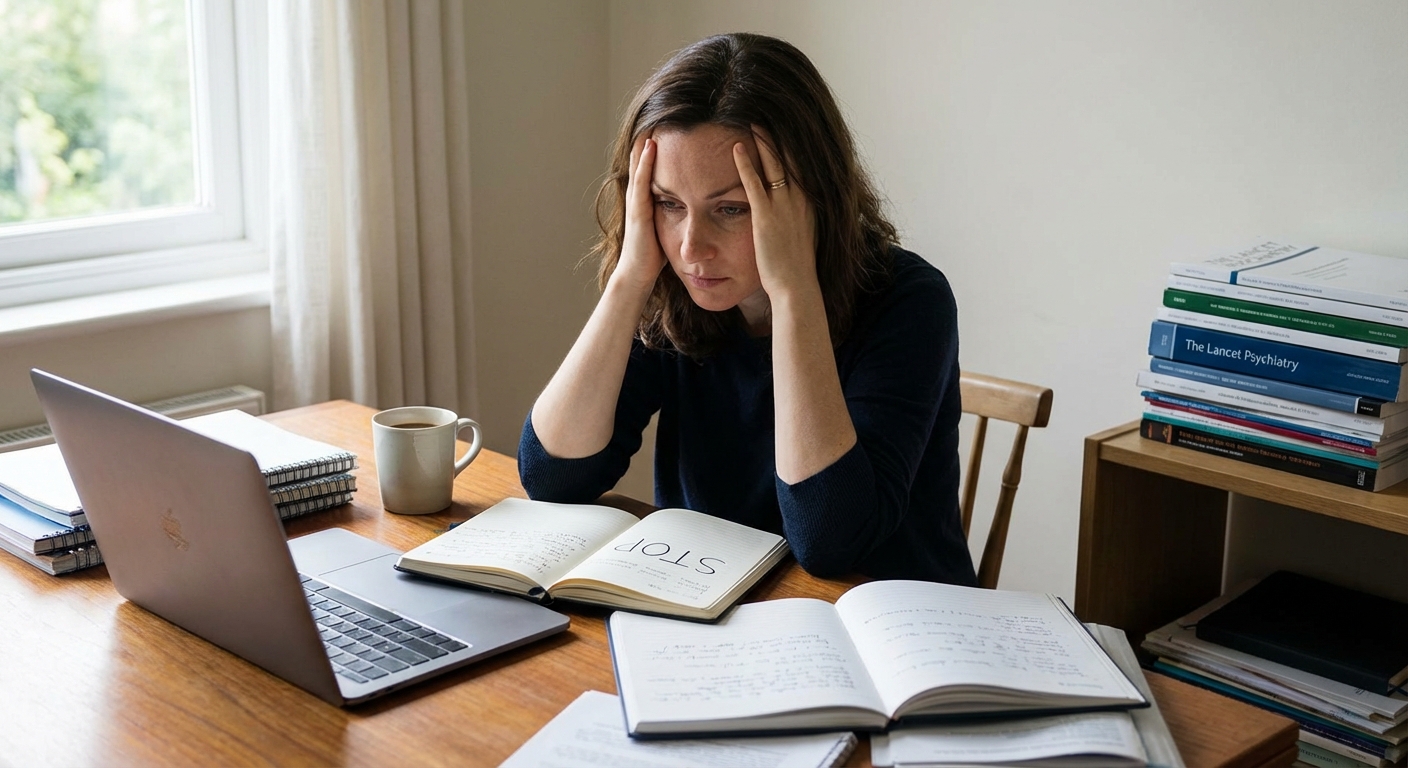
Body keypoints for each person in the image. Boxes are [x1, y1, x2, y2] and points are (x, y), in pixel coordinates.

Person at [518, 32, 976, 586]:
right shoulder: (675, 287)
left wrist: (793, 293)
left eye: (731, 208)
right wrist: (629, 278)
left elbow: (831, 541)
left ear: (810, 197)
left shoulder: (910, 300)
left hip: (890, 626)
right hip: (724, 605)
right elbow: (553, 477)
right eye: (668, 204)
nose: (691, 247)